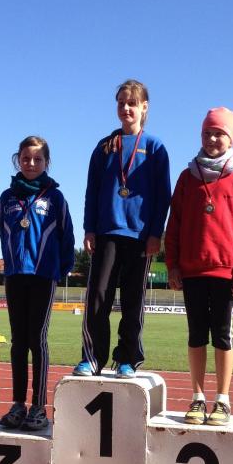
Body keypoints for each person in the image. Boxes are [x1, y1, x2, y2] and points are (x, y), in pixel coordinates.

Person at [165, 107, 233, 425]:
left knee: (222, 336)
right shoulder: (187, 178)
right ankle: (197, 397)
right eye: (207, 133)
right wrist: (173, 265)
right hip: (192, 271)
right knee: (195, 335)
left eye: (219, 133)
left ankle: (222, 400)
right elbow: (174, 225)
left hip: (225, 272)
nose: (212, 139)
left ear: (231, 138)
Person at [73, 79, 171, 378]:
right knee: (98, 298)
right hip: (106, 233)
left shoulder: (155, 147)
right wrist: (89, 228)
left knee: (133, 301)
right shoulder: (104, 147)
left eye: (132, 103)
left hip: (140, 236)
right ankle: (92, 358)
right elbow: (92, 191)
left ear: (144, 107)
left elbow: (163, 196)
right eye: (121, 103)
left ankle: (127, 358)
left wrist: (155, 233)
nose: (126, 108)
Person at [0, 136, 75, 429]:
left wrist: (60, 269)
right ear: (17, 160)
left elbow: (67, 236)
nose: (31, 164)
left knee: (37, 340)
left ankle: (38, 407)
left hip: (43, 275)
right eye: (26, 158)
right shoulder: (7, 198)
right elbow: (3, 233)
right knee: (18, 341)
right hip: (15, 275)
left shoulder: (55, 198)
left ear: (46, 162)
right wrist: (11, 263)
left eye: (37, 159)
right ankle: (18, 404)